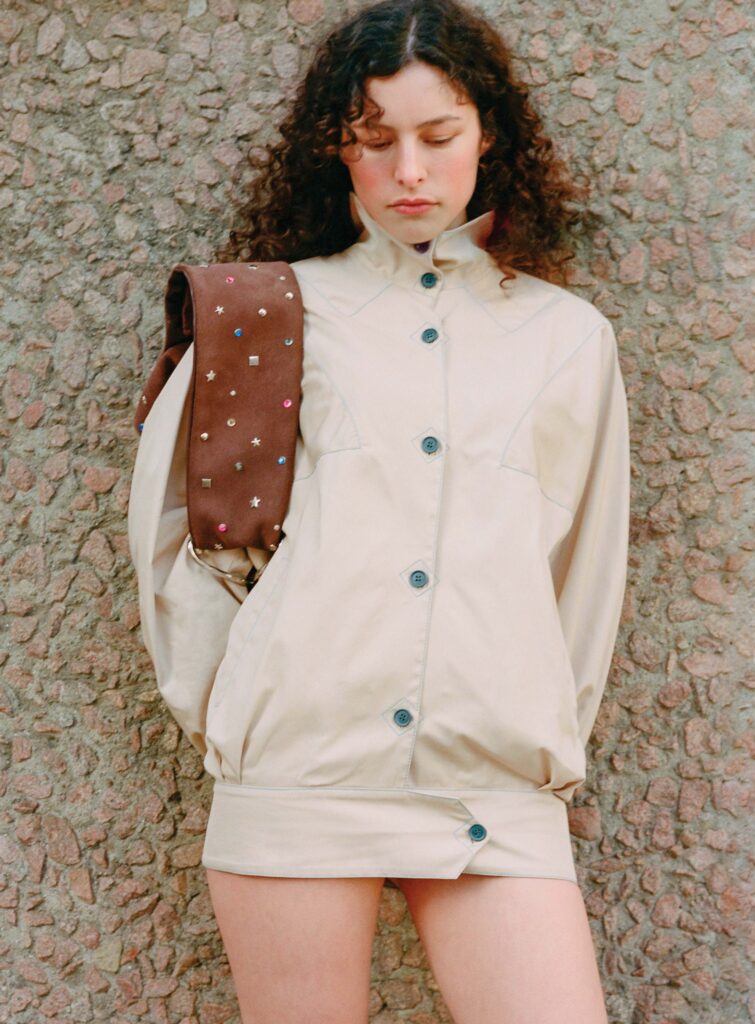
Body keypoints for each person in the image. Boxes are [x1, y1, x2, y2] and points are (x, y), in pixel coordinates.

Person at [127, 0, 630, 1021]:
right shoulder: (268, 310)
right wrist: (246, 713)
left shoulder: (568, 339)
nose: (409, 172)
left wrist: (535, 734)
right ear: (336, 150)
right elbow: (175, 538)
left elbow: (585, 567)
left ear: (488, 134)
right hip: (299, 779)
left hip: (492, 794)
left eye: (438, 136)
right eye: (374, 141)